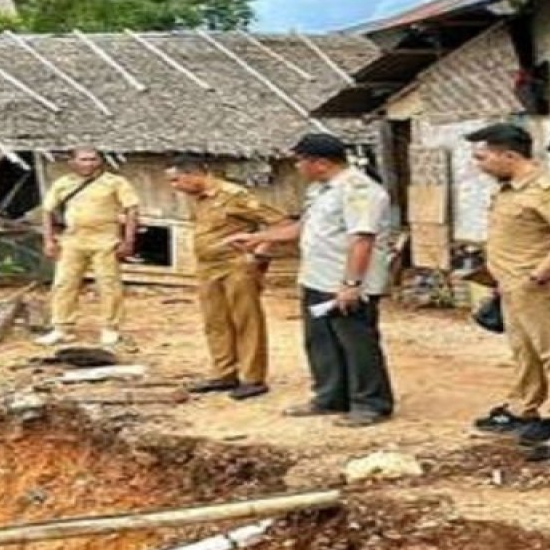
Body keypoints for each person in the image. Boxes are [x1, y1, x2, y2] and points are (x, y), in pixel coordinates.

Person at [226, 133, 395, 427]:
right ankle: (330, 397)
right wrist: (257, 238)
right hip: (318, 277)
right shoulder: (322, 190)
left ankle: (371, 404)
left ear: (320, 163)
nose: (296, 167)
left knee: (357, 343)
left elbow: (362, 239)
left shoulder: (359, 190)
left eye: (300, 161)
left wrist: (351, 284)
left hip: (345, 281)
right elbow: (303, 228)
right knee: (321, 341)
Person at [465, 124, 550, 460]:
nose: (478, 165)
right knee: (524, 351)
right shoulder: (508, 189)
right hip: (512, 286)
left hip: (538, 285)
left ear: (509, 155)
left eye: (483, 157)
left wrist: (536, 277)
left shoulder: (548, 190)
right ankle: (525, 407)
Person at [166, 155, 288, 400]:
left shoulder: (234, 195)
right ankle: (224, 373)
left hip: (236, 266)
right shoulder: (198, 200)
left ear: (193, 174)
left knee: (246, 320)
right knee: (215, 321)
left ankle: (253, 378)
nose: (174, 186)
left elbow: (280, 223)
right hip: (207, 268)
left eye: (176, 180)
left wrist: (258, 255)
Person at [37, 147, 139, 347]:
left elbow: (131, 211)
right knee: (64, 283)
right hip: (73, 239)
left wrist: (128, 241)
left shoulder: (115, 182)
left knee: (109, 284)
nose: (89, 163)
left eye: (93, 159)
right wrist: (49, 240)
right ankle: (61, 327)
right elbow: (47, 211)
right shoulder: (63, 184)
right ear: (73, 162)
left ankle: (111, 328)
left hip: (106, 239)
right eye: (83, 160)